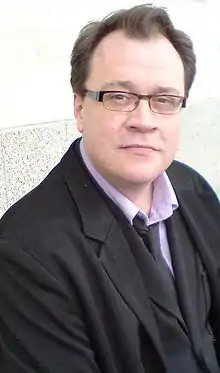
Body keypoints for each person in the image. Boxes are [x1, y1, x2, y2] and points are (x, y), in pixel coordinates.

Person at [0, 4, 220, 373]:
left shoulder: (192, 188)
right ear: (80, 108)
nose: (144, 121)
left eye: (164, 100)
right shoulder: (24, 255)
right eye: (119, 97)